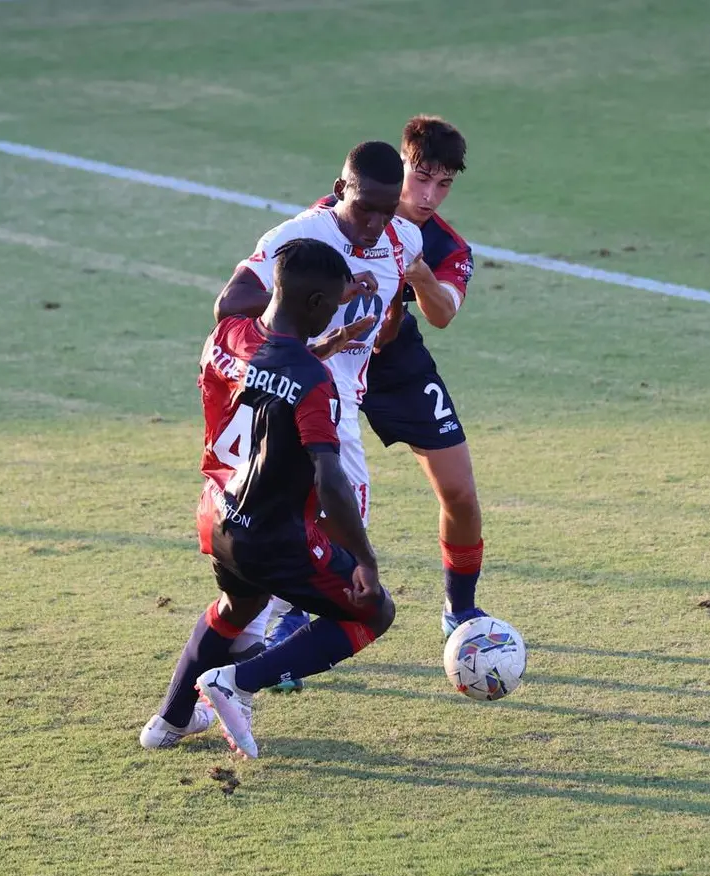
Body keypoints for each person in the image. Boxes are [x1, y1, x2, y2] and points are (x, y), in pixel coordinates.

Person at [139, 142, 421, 747]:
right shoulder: (317, 385)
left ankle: (169, 720)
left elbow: (265, 355)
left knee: (235, 607)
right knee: (371, 611)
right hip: (272, 529)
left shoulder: (231, 339)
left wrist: (316, 342)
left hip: (217, 514)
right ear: (322, 303)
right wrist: (366, 562)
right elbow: (329, 480)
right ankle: (238, 680)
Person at [268, 116, 488, 677]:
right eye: (421, 178)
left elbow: (442, 315)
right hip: (328, 359)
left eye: (444, 185)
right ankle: (295, 614)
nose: (429, 196)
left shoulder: (441, 243)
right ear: (399, 166)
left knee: (460, 492)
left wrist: (417, 274)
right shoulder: (348, 211)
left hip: (394, 363)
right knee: (313, 487)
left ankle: (459, 611)